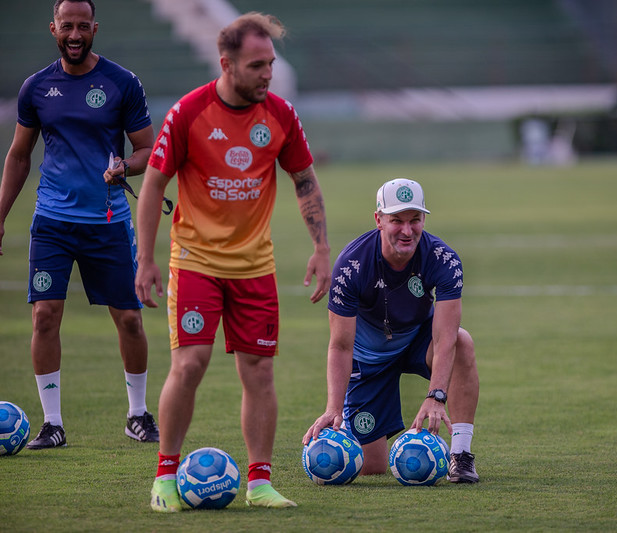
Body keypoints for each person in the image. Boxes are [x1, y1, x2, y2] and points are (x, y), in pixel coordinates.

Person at [135, 13, 331, 512]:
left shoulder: (281, 116)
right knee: (190, 364)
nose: (268, 73)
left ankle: (259, 482)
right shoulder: (189, 112)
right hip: (196, 261)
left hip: (255, 266)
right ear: (226, 64)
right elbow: (154, 183)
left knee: (259, 372)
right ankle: (164, 479)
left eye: (270, 63)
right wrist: (146, 260)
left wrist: (322, 249)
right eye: (257, 65)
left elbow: (305, 179)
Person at [0, 0, 159, 449]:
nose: (74, 34)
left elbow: (148, 150)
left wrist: (124, 167)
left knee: (129, 319)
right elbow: (18, 156)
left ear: (94, 28)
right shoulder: (36, 88)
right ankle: (52, 425)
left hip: (107, 221)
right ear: (53, 28)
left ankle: (137, 415)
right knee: (45, 317)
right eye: (66, 26)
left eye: (82, 26)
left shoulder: (121, 82)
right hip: (52, 220)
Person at [303, 178, 480, 484]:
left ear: (424, 219)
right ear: (379, 219)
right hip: (368, 359)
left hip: (415, 340)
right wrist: (333, 408)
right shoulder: (351, 265)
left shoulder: (444, 258)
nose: (407, 230)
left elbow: (445, 337)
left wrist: (436, 396)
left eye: (415, 220)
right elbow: (341, 346)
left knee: (462, 342)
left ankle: (460, 456)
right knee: (372, 466)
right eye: (396, 220)